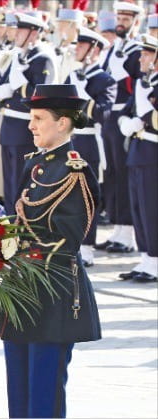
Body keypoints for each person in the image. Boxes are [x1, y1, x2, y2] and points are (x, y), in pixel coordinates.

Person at [0, 84, 102, 418]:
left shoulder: (75, 170)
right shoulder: (37, 163)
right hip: (22, 288)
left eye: (38, 118)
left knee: (44, 391)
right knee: (18, 387)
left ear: (62, 123)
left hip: (52, 292)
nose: (30, 125)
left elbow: (70, 237)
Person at [0, 12, 56, 214]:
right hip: (9, 128)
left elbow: (42, 97)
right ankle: (11, 228)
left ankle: (24, 232)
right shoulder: (18, 57)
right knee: (10, 186)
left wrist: (21, 85)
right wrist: (5, 89)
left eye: (21, 30)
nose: (16, 34)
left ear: (34, 34)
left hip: (27, 131)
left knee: (23, 186)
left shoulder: (42, 60)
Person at [96, 1, 143, 253]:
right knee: (112, 174)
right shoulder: (115, 48)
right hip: (109, 118)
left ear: (136, 21)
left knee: (125, 176)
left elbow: (136, 87)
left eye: (127, 17)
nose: (121, 21)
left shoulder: (137, 50)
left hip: (124, 118)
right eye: (120, 16)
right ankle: (118, 228)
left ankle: (128, 232)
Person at [66, 27, 116, 267]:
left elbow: (102, 114)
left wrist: (82, 95)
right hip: (70, 139)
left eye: (82, 46)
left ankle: (87, 247)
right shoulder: (73, 75)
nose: (77, 49)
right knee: (68, 196)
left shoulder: (105, 80)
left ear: (94, 50)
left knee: (87, 197)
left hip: (89, 141)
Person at [117, 34, 158, 283]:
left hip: (153, 153)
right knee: (139, 209)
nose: (141, 58)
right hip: (137, 151)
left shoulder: (151, 85)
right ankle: (146, 256)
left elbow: (149, 116)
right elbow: (124, 113)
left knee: (151, 208)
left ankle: (155, 259)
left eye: (146, 54)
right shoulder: (145, 83)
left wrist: (140, 116)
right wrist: (127, 124)